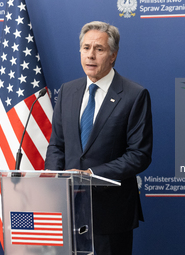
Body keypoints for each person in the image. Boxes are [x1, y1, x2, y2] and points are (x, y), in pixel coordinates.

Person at [45, 21, 153, 255]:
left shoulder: (134, 95)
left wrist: (92, 175)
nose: (90, 55)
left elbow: (139, 155)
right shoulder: (67, 91)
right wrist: (53, 183)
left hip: (110, 215)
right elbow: (57, 145)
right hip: (68, 208)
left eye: (99, 49)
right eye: (86, 48)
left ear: (113, 55)